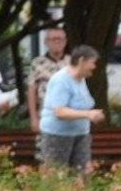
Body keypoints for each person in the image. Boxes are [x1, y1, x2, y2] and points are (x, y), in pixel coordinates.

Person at [38, 45, 104, 175]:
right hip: (57, 137)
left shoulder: (81, 79)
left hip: (80, 135)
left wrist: (93, 115)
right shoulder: (61, 80)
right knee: (55, 178)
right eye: (92, 63)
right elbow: (59, 112)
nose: (94, 67)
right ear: (81, 61)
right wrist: (88, 114)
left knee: (82, 175)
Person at [27, 25, 67, 135]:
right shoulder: (37, 63)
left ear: (65, 41)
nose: (57, 42)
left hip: (70, 119)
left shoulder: (73, 63)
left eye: (60, 39)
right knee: (47, 151)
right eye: (54, 39)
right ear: (46, 42)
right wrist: (34, 118)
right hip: (46, 117)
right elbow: (31, 91)